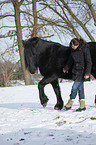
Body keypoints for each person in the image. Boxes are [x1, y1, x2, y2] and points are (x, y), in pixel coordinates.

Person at [63, 38, 92, 111]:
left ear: (77, 44)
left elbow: (89, 62)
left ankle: (69, 103)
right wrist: (66, 68)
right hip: (75, 72)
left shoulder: (85, 49)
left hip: (82, 72)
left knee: (74, 88)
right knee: (80, 88)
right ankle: (82, 106)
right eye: (71, 46)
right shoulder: (73, 51)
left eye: (73, 46)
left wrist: (87, 73)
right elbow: (70, 60)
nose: (72, 47)